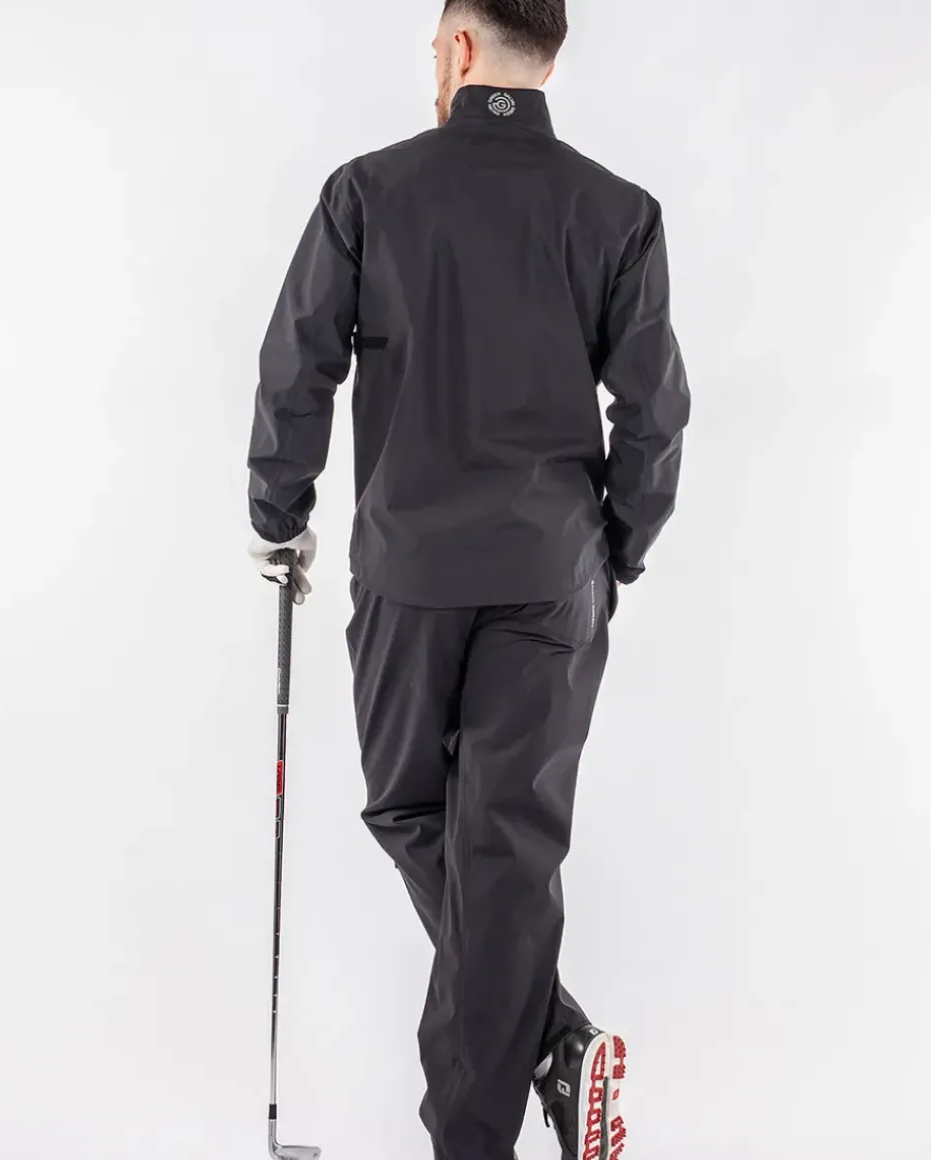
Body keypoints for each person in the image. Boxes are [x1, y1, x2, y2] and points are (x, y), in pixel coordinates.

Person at [246, 1, 690, 1156]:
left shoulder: (367, 192)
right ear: (545, 58)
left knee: (413, 812)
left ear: (454, 50)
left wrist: (277, 517)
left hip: (409, 573)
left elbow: (297, 367)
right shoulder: (617, 212)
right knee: (501, 853)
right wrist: (615, 548)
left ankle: (488, 1116)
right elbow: (655, 413)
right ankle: (554, 1040)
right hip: (551, 574)